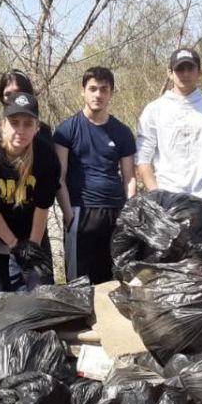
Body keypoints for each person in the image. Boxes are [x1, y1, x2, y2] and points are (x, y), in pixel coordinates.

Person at [135, 47, 202, 244]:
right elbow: (143, 159)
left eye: (190, 68)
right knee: (170, 269)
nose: (185, 74)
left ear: (199, 72)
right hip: (168, 200)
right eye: (180, 69)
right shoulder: (154, 109)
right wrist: (157, 197)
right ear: (170, 73)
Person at [0, 91, 60, 291]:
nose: (21, 129)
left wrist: (33, 247)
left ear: (37, 127)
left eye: (28, 123)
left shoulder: (46, 155)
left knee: (42, 293)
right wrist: (12, 243)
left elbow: (43, 204)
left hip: (31, 231)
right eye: (14, 122)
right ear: (3, 124)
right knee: (1, 301)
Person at [54, 66, 137, 283]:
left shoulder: (122, 132)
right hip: (81, 212)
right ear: (83, 91)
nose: (98, 94)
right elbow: (59, 177)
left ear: (111, 93)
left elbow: (130, 178)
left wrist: (127, 215)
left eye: (103, 89)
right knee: (79, 283)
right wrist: (68, 215)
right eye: (92, 89)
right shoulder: (66, 130)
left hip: (114, 213)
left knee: (112, 279)